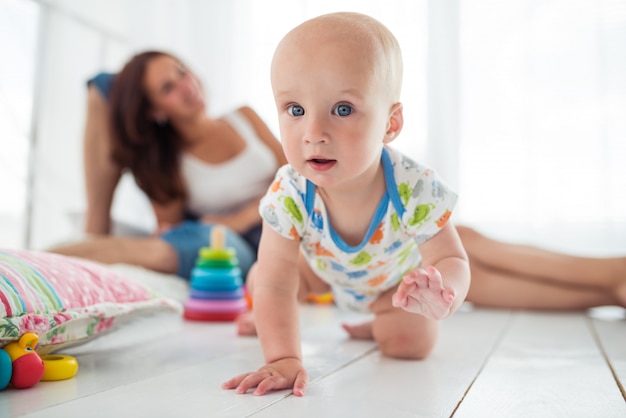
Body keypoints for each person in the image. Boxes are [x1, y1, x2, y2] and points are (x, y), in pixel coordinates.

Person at [222, 12, 472, 397]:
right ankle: (271, 321)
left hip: (393, 287)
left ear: (390, 123)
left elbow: (451, 260)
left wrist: (444, 294)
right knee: (262, 278)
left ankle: (375, 323)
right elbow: (275, 280)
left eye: (342, 109)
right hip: (318, 272)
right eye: (295, 110)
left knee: (411, 344)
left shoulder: (413, 186)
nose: (314, 134)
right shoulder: (291, 190)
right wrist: (284, 356)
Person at [51, 50, 287, 280]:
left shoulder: (244, 116)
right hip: (232, 245)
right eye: (168, 88)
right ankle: (35, 261)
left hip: (284, 221)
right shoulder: (165, 163)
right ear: (154, 111)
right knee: (181, 245)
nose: (187, 86)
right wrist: (177, 233)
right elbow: (175, 228)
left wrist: (239, 219)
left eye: (182, 72)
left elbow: (295, 177)